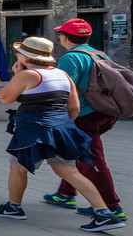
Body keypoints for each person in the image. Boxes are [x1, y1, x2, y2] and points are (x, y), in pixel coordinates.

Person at [0, 36, 124, 232]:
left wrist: (17, 74)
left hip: (33, 129)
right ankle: (104, 213)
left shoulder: (28, 75)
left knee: (18, 168)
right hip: (61, 127)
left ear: (25, 56)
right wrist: (62, 124)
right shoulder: (62, 75)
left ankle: (13, 207)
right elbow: (74, 107)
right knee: (70, 172)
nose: (16, 54)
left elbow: (5, 98)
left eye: (18, 52)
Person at [45, 18, 124, 219]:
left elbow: (64, 88)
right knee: (75, 151)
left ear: (63, 37)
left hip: (84, 115)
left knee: (92, 159)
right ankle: (65, 193)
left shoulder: (70, 58)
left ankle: (111, 206)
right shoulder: (99, 54)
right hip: (105, 111)